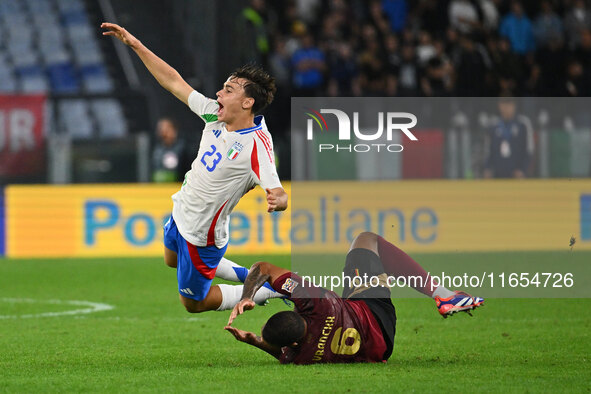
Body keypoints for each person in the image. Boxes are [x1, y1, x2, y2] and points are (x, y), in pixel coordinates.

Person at [101, 23, 288, 313]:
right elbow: (174, 82)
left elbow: (278, 189)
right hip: (181, 211)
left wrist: (280, 199)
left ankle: (264, 292)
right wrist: (135, 44)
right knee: (171, 259)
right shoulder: (215, 114)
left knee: (193, 303)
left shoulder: (257, 144)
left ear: (247, 102)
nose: (218, 93)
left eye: (227, 90)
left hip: (202, 234)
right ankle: (249, 276)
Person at [224, 232, 484, 364]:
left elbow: (284, 353)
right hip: (371, 312)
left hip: (380, 349)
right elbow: (263, 268)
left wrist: (255, 342)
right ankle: (442, 294)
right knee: (367, 240)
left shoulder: (303, 356)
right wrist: (247, 296)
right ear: (295, 311)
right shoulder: (312, 300)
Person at [483, 97, 534, 178]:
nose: (506, 107)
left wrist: (522, 169)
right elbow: (488, 150)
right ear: (499, 105)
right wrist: (488, 168)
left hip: (517, 174)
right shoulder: (493, 125)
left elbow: (529, 150)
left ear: (514, 105)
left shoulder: (523, 124)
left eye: (509, 103)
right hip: (497, 175)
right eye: (503, 103)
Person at [152, 117, 187, 183]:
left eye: (167, 128)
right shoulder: (156, 149)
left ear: (174, 130)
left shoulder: (183, 149)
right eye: (161, 129)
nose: (164, 131)